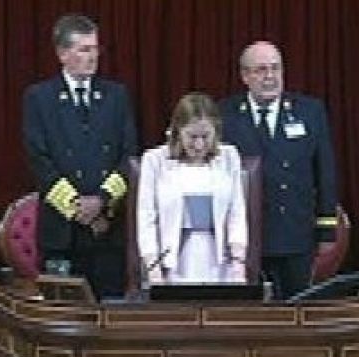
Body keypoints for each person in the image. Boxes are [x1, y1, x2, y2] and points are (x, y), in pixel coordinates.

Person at [23, 13, 138, 299]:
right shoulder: (39, 98)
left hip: (107, 230)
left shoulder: (116, 96)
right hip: (63, 234)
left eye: (95, 48)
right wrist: (77, 208)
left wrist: (102, 201)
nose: (93, 56)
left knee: (108, 316)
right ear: (62, 53)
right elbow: (40, 162)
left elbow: (129, 156)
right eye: (84, 49)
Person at [217, 41, 339, 299]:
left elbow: (325, 174)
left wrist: (326, 228)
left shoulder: (309, 111)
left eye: (276, 68)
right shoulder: (224, 115)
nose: (270, 76)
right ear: (245, 76)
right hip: (245, 238)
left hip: (295, 232)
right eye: (261, 70)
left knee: (297, 312)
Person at [137, 94, 248, 285]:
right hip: (171, 265)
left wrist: (238, 265)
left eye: (205, 136)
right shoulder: (155, 160)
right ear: (177, 131)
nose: (199, 145)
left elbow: (236, 212)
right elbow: (146, 218)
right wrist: (154, 271)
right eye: (192, 136)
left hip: (222, 263)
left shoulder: (229, 157)